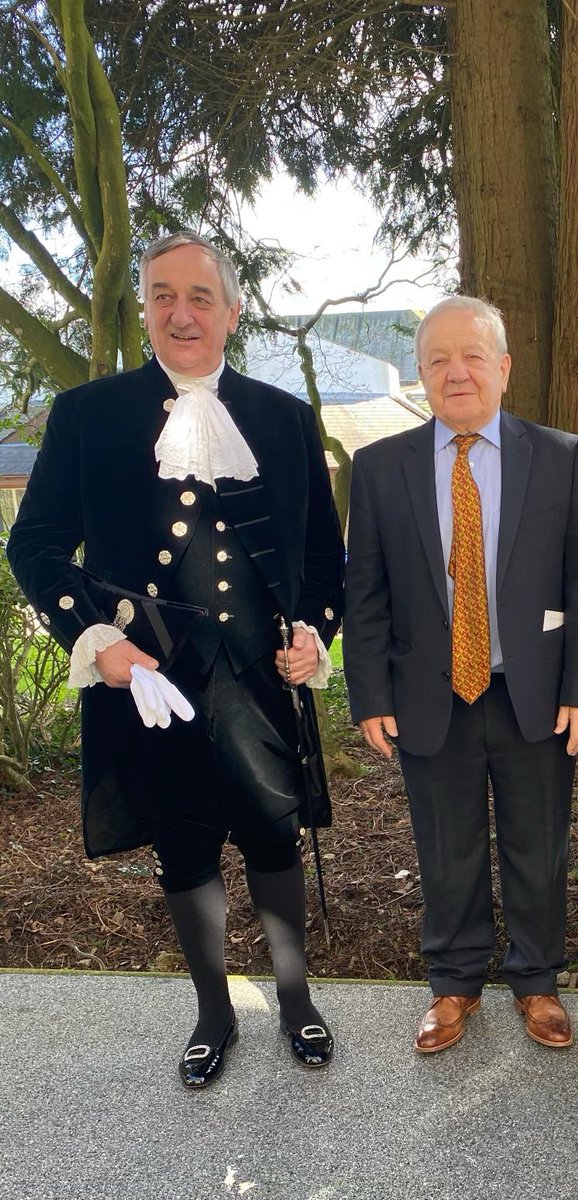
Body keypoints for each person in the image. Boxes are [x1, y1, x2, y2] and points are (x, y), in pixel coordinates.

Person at [7, 232, 345, 1089]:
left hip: (260, 677)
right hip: (148, 680)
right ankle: (214, 1012)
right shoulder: (89, 414)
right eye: (162, 294)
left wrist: (312, 633)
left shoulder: (282, 416)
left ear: (232, 312)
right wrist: (96, 641)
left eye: (200, 296)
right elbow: (36, 545)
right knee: (182, 848)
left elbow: (321, 560)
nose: (180, 312)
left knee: (273, 837)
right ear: (145, 309)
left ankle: (297, 1000)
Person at [343, 296, 578, 1054]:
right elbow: (363, 590)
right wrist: (368, 692)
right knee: (445, 845)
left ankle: (536, 981)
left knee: (539, 844)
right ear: (422, 374)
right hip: (429, 696)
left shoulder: (559, 455)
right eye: (437, 360)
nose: (455, 372)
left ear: (503, 367)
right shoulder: (380, 467)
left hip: (532, 694)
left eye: (471, 357)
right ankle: (454, 982)